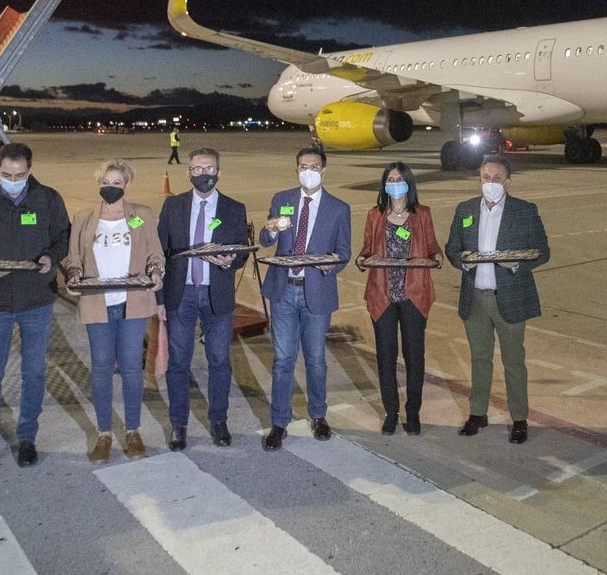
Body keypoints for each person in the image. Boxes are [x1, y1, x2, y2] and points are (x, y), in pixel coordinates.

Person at [0, 142, 71, 472]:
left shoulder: (47, 199)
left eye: (19, 175)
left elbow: (62, 236)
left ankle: (27, 439)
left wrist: (53, 256)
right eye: (6, 174)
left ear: (30, 170)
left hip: (36, 300)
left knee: (34, 373)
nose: (13, 179)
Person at [444, 153, 550, 444]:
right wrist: (464, 262)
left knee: (514, 362)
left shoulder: (524, 210)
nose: (491, 182)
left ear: (508, 181)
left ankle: (519, 418)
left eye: (497, 178)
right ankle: (478, 413)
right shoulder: (465, 210)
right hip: (475, 299)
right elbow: (452, 248)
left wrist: (515, 264)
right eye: (486, 177)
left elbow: (542, 250)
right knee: (479, 359)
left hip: (511, 298)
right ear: (479, 179)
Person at [64, 159, 164, 461]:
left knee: (133, 369)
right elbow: (74, 258)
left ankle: (133, 430)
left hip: (132, 302)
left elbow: (154, 253)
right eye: (107, 181)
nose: (111, 187)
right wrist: (73, 276)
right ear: (99, 183)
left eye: (118, 182)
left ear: (126, 185)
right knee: (102, 368)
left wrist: (156, 271)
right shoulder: (83, 218)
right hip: (97, 302)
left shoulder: (141, 216)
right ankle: (104, 433)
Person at [257, 145, 350, 450]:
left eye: (313, 166)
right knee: (283, 360)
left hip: (317, 292)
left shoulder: (339, 208)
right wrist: (269, 231)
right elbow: (267, 239)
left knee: (316, 360)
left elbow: (344, 253)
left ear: (324, 169)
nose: (308, 170)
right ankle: (279, 422)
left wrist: (331, 264)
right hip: (284, 290)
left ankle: (318, 415)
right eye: (302, 166)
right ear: (296, 169)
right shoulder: (282, 199)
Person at [157, 147, 249, 450]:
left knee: (220, 361)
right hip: (181, 294)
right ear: (189, 173)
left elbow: (240, 251)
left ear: (218, 172)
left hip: (216, 295)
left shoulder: (235, 208)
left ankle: (218, 420)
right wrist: (159, 299)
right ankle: (178, 424)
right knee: (178, 363)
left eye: (209, 169)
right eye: (197, 169)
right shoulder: (173, 206)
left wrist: (231, 261)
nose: (203, 174)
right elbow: (161, 253)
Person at [355, 162, 440, 435]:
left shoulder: (422, 214)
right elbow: (367, 249)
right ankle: (391, 411)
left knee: (415, 355)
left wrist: (437, 258)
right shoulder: (374, 214)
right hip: (383, 294)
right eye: (390, 179)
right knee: (386, 356)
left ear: (408, 183)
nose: (394, 183)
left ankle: (412, 412)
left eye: (399, 178)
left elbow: (433, 247)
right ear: (384, 184)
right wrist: (361, 259)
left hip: (414, 295)